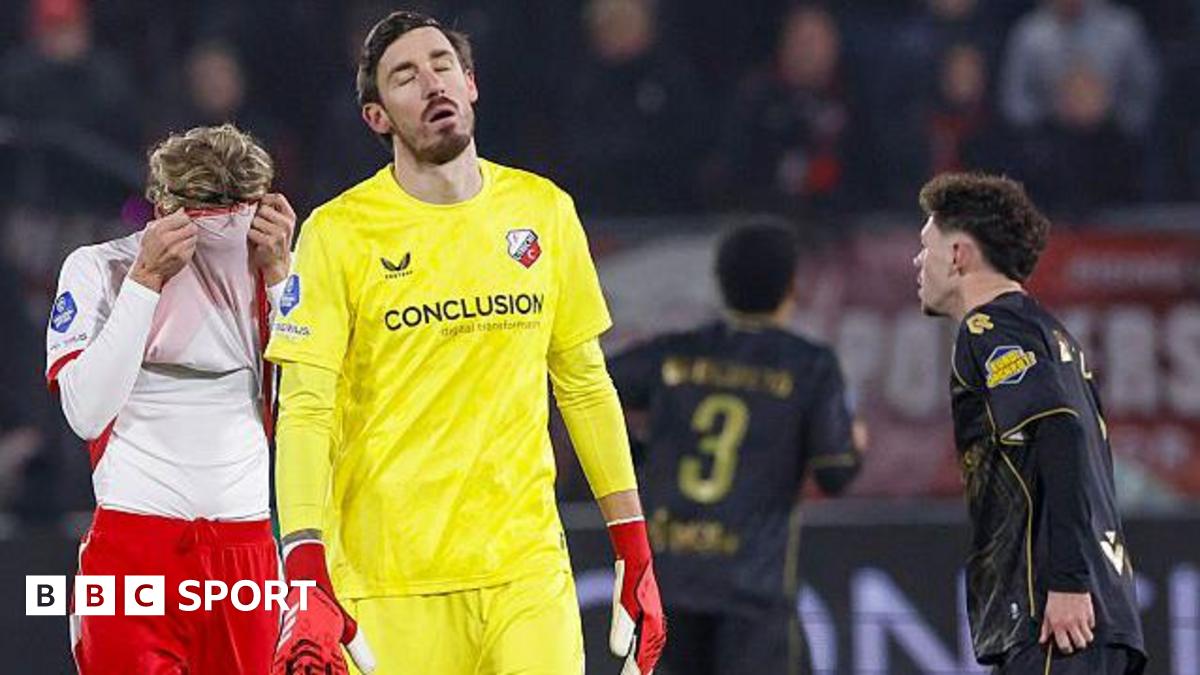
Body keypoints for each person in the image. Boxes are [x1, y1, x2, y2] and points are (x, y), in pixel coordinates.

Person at [265, 10, 664, 674]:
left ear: (471, 84)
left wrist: (635, 546)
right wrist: (303, 559)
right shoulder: (337, 233)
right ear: (377, 117)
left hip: (524, 574)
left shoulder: (544, 212)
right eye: (405, 77)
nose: (432, 84)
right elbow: (305, 409)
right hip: (385, 585)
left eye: (443, 65)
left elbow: (585, 385)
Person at [45, 123, 296, 674]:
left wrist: (281, 280)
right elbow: (86, 413)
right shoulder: (100, 268)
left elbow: (302, 418)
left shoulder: (278, 269)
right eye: (207, 210)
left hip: (245, 551)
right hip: (135, 548)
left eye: (240, 209)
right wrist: (145, 280)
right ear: (162, 206)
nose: (224, 229)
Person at [913, 172, 1146, 674]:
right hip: (1095, 614)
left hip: (1055, 618)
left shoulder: (990, 328)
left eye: (926, 246)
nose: (918, 261)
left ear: (958, 255)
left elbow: (1059, 432)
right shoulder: (1047, 331)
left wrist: (1066, 581)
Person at [610, 222, 863, 675]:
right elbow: (835, 470)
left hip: (672, 585)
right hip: (753, 592)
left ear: (721, 284)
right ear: (791, 287)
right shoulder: (809, 367)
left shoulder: (675, 354)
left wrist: (643, 455)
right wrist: (855, 443)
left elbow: (590, 390)